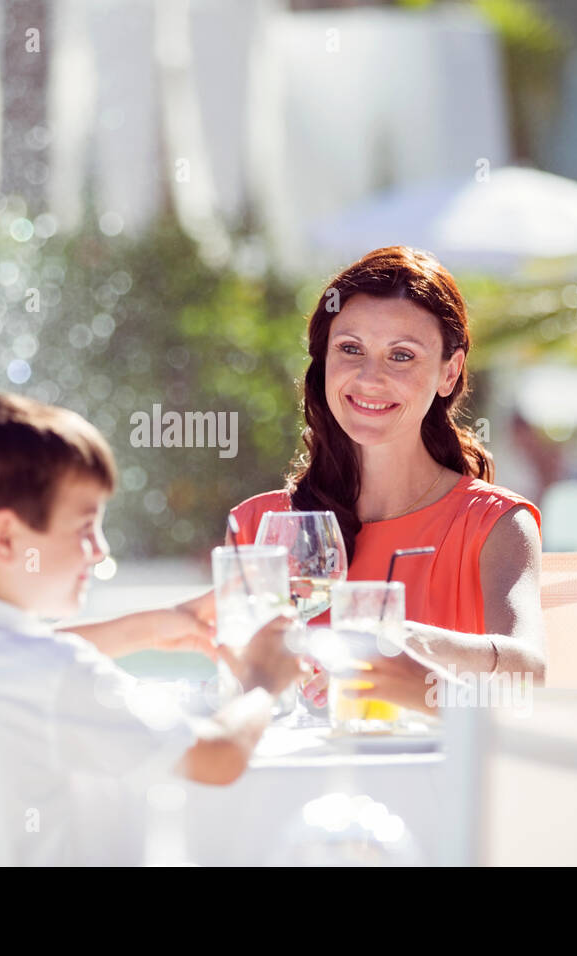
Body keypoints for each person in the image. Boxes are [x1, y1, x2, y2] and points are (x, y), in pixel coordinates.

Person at [0, 392, 303, 865]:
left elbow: (10, 664)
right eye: (84, 527)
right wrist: (264, 682)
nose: (99, 549)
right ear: (5, 538)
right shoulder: (59, 674)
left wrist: (142, 630)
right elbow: (218, 758)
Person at [228, 246, 546, 712]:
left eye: (401, 356)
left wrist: (409, 641)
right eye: (350, 349)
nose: (369, 377)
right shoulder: (260, 525)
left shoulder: (495, 525)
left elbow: (530, 674)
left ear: (449, 371)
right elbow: (240, 692)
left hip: (438, 780)